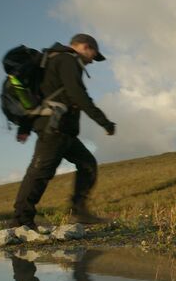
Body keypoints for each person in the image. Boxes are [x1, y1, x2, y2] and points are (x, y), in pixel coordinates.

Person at [13, 34, 117, 230]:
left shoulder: (54, 60)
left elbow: (44, 93)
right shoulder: (67, 60)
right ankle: (20, 220)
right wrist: (104, 122)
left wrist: (25, 127)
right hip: (54, 128)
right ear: (87, 47)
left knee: (87, 164)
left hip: (63, 130)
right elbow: (77, 94)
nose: (92, 61)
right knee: (40, 173)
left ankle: (80, 212)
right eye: (93, 56)